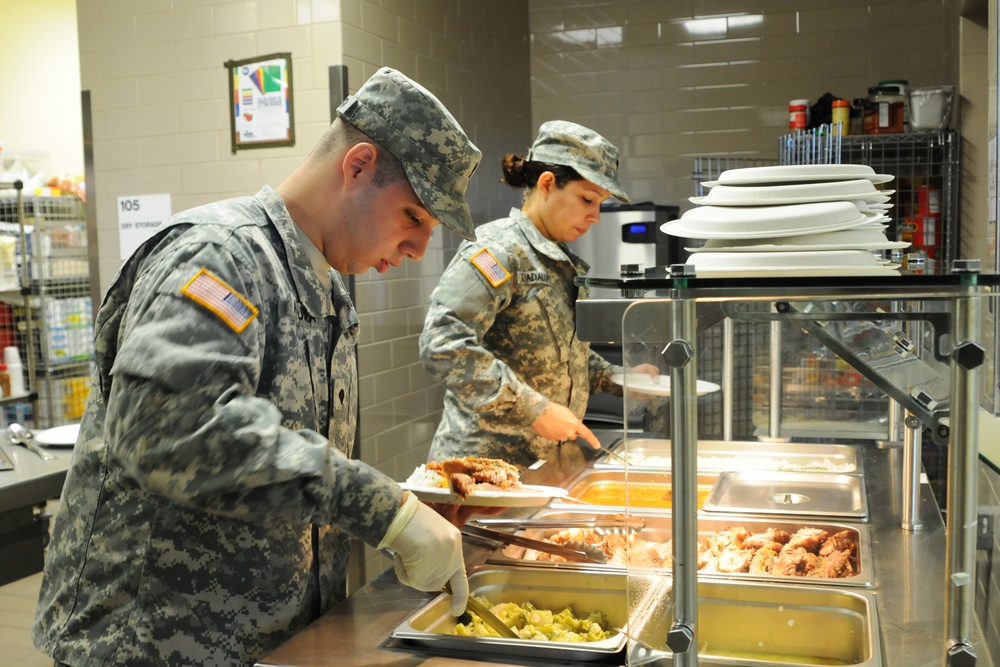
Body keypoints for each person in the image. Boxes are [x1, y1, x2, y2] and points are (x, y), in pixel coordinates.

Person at [33, 67, 481, 667]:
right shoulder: (220, 256)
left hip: (267, 644)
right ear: (358, 165)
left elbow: (281, 463)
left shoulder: (328, 291)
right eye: (414, 218)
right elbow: (169, 429)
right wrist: (386, 512)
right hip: (149, 646)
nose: (419, 249)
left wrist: (408, 512)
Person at [419, 120, 658, 470]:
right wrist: (535, 409)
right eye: (587, 199)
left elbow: (558, 358)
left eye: (600, 204)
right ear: (547, 184)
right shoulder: (499, 250)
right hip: (482, 472)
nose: (595, 217)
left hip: (543, 467)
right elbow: (442, 343)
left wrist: (617, 377)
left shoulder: (558, 262)